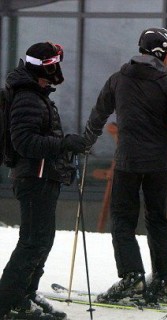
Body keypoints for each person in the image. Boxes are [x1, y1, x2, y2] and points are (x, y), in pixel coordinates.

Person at [82, 27, 167, 305]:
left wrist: (86, 141)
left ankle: (132, 277)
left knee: (123, 219)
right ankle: (166, 280)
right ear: (159, 52)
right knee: (157, 219)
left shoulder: (118, 79)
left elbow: (99, 114)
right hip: (158, 163)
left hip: (128, 160)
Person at [0, 42, 87, 319]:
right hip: (33, 178)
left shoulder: (37, 95)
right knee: (32, 242)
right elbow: (24, 142)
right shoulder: (27, 97)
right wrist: (63, 144)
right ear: (43, 67)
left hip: (43, 177)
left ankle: (24, 295)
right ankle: (8, 303)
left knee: (42, 240)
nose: (57, 70)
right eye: (53, 65)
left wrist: (64, 149)